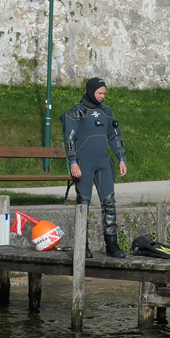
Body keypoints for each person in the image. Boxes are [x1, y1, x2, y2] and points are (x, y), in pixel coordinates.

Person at [61, 77, 128, 259]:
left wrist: (120, 158)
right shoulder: (77, 112)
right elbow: (69, 139)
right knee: (83, 203)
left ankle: (111, 244)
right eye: (99, 93)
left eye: (104, 93)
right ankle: (82, 244)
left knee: (109, 203)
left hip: (103, 164)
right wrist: (73, 162)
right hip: (84, 164)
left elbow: (115, 135)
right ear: (91, 91)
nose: (102, 96)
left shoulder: (106, 112)